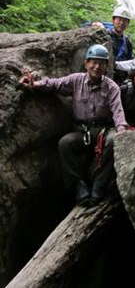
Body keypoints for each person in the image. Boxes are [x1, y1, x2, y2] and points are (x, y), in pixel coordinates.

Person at [19, 44, 128, 206]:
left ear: (106, 66)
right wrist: (34, 85)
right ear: (86, 64)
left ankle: (99, 186)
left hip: (102, 131)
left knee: (113, 141)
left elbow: (118, 111)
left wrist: (121, 129)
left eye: (101, 63)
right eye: (93, 62)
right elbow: (55, 84)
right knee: (65, 143)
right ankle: (79, 188)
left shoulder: (111, 87)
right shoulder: (76, 80)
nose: (97, 67)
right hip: (81, 131)